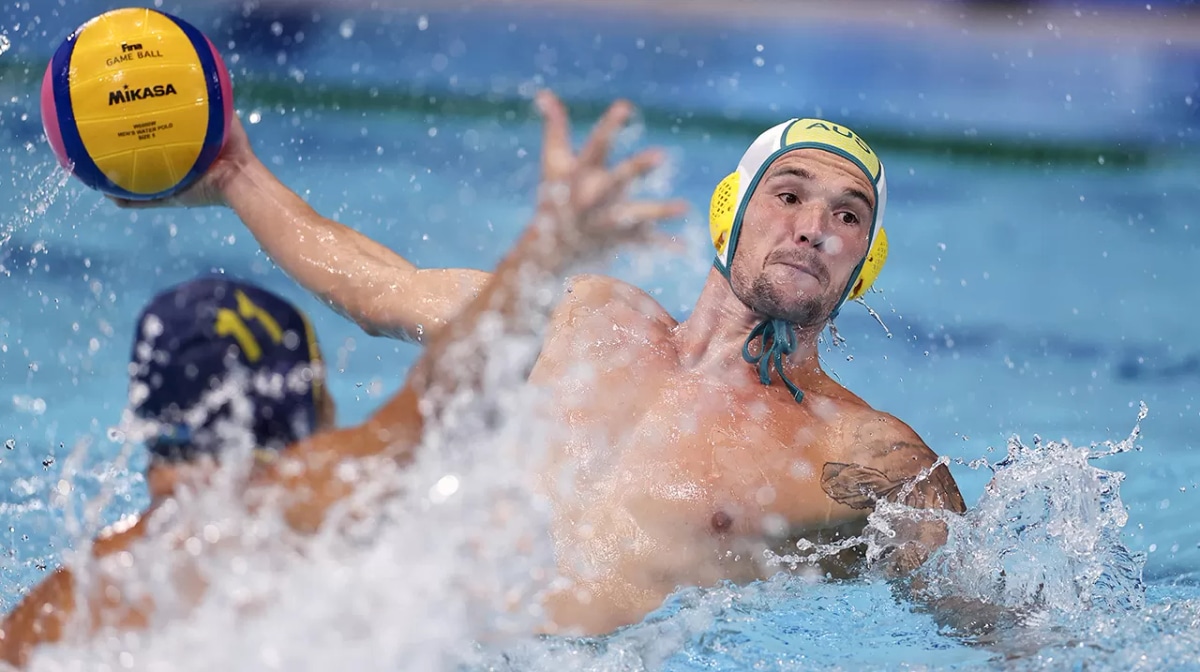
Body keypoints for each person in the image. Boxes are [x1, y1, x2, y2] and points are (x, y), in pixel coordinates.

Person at [109, 90, 967, 635]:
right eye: (789, 195)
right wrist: (235, 173)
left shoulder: (866, 454)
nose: (816, 225)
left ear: (867, 262)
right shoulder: (585, 317)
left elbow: (995, 616)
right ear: (729, 213)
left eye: (849, 215)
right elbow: (384, 291)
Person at [1, 94, 682, 665]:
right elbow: (452, 388)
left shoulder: (57, 608)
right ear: (305, 403)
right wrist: (546, 250)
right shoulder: (312, 502)